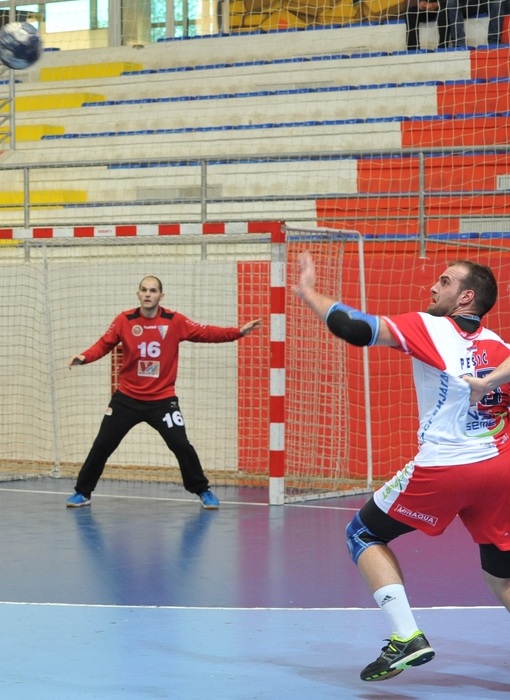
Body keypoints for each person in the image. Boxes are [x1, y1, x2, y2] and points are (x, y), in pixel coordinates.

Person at [292, 252, 510, 682]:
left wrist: (309, 293)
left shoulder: (430, 327)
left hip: (446, 466)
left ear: (466, 297)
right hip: (500, 470)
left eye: (444, 281)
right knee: (501, 576)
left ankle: (406, 636)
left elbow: (354, 328)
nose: (433, 287)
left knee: (363, 533)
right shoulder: (501, 349)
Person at [66, 277, 262, 510]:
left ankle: (203, 491)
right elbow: (103, 343)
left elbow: (206, 333)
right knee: (102, 444)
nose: (148, 294)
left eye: (153, 290)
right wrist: (84, 357)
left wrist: (238, 332)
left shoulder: (174, 320)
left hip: (162, 400)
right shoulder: (124, 320)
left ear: (161, 296)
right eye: (144, 290)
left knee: (181, 445)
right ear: (138, 294)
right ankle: (82, 492)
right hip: (126, 399)